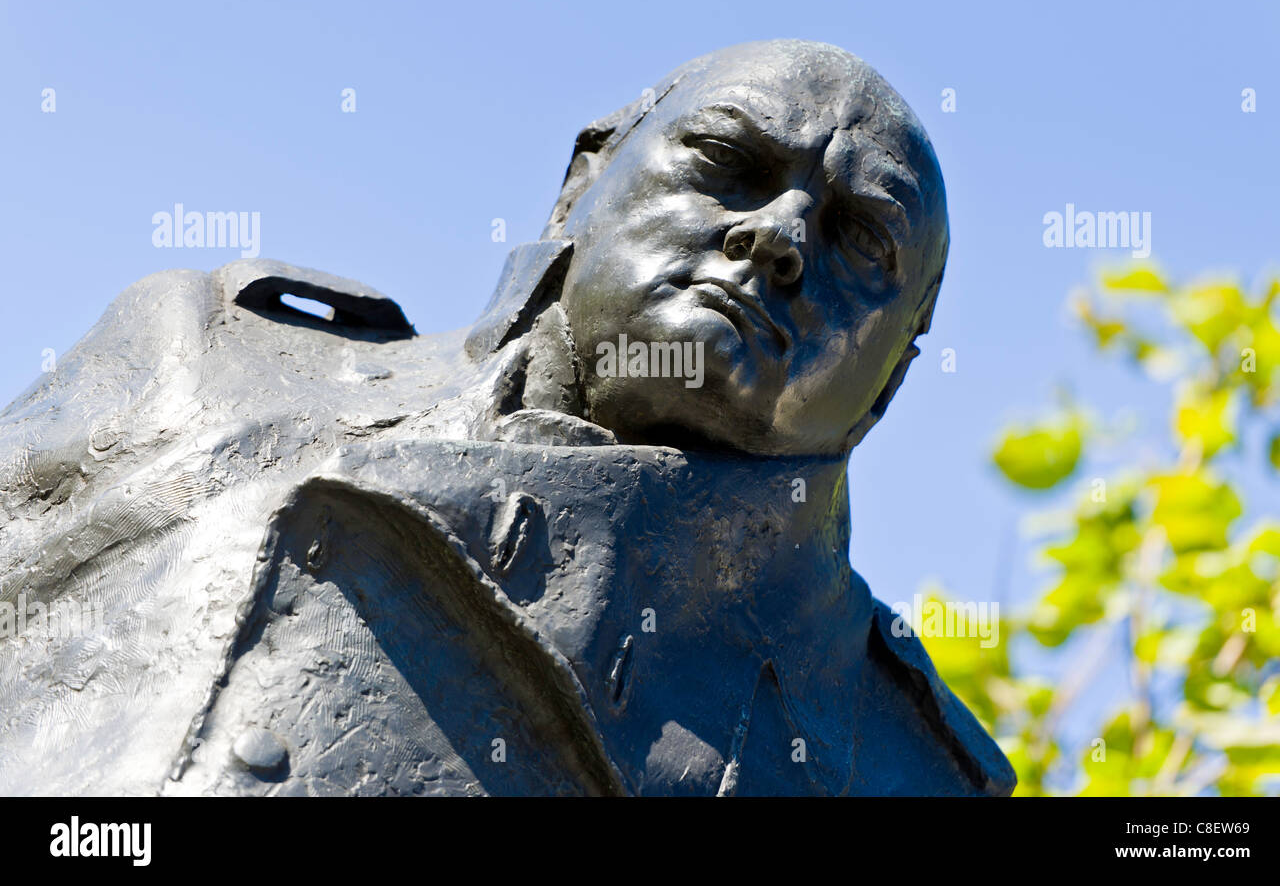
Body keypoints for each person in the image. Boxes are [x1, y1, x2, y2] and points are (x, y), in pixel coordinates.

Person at [0, 40, 1014, 796]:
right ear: (579, 182)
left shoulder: (905, 767)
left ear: (889, 381)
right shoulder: (204, 355)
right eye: (727, 162)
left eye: (860, 240)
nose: (778, 236)